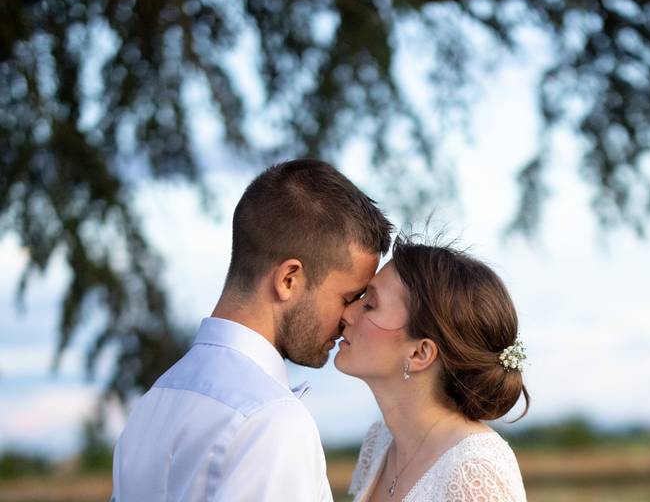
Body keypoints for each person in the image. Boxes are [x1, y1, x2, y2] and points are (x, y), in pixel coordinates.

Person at [111, 159, 393, 501]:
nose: (350, 316)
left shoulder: (155, 400)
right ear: (289, 280)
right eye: (348, 296)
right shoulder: (273, 422)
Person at [337, 237, 529, 501]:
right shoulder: (379, 443)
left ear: (420, 353)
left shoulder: (473, 474)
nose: (347, 313)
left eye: (369, 304)